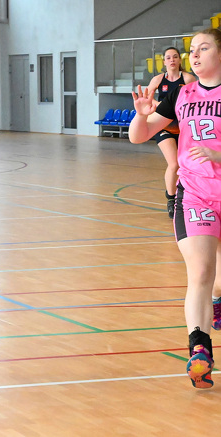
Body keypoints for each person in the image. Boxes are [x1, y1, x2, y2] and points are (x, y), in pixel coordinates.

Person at [129, 28, 221, 389]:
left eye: (203, 48)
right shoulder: (182, 94)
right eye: (191, 50)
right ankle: (200, 349)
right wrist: (142, 116)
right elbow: (139, 135)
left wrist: (217, 154)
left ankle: (217, 297)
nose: (194, 55)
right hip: (196, 193)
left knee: (217, 279)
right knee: (201, 271)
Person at [143, 46, 197, 218]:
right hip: (164, 127)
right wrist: (160, 106)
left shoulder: (187, 78)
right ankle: (171, 199)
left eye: (175, 57)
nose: (172, 60)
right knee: (173, 163)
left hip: (184, 128)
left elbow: (196, 100)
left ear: (180, 60)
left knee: (186, 164)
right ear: (164, 62)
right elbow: (146, 100)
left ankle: (188, 196)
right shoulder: (158, 80)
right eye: (168, 57)